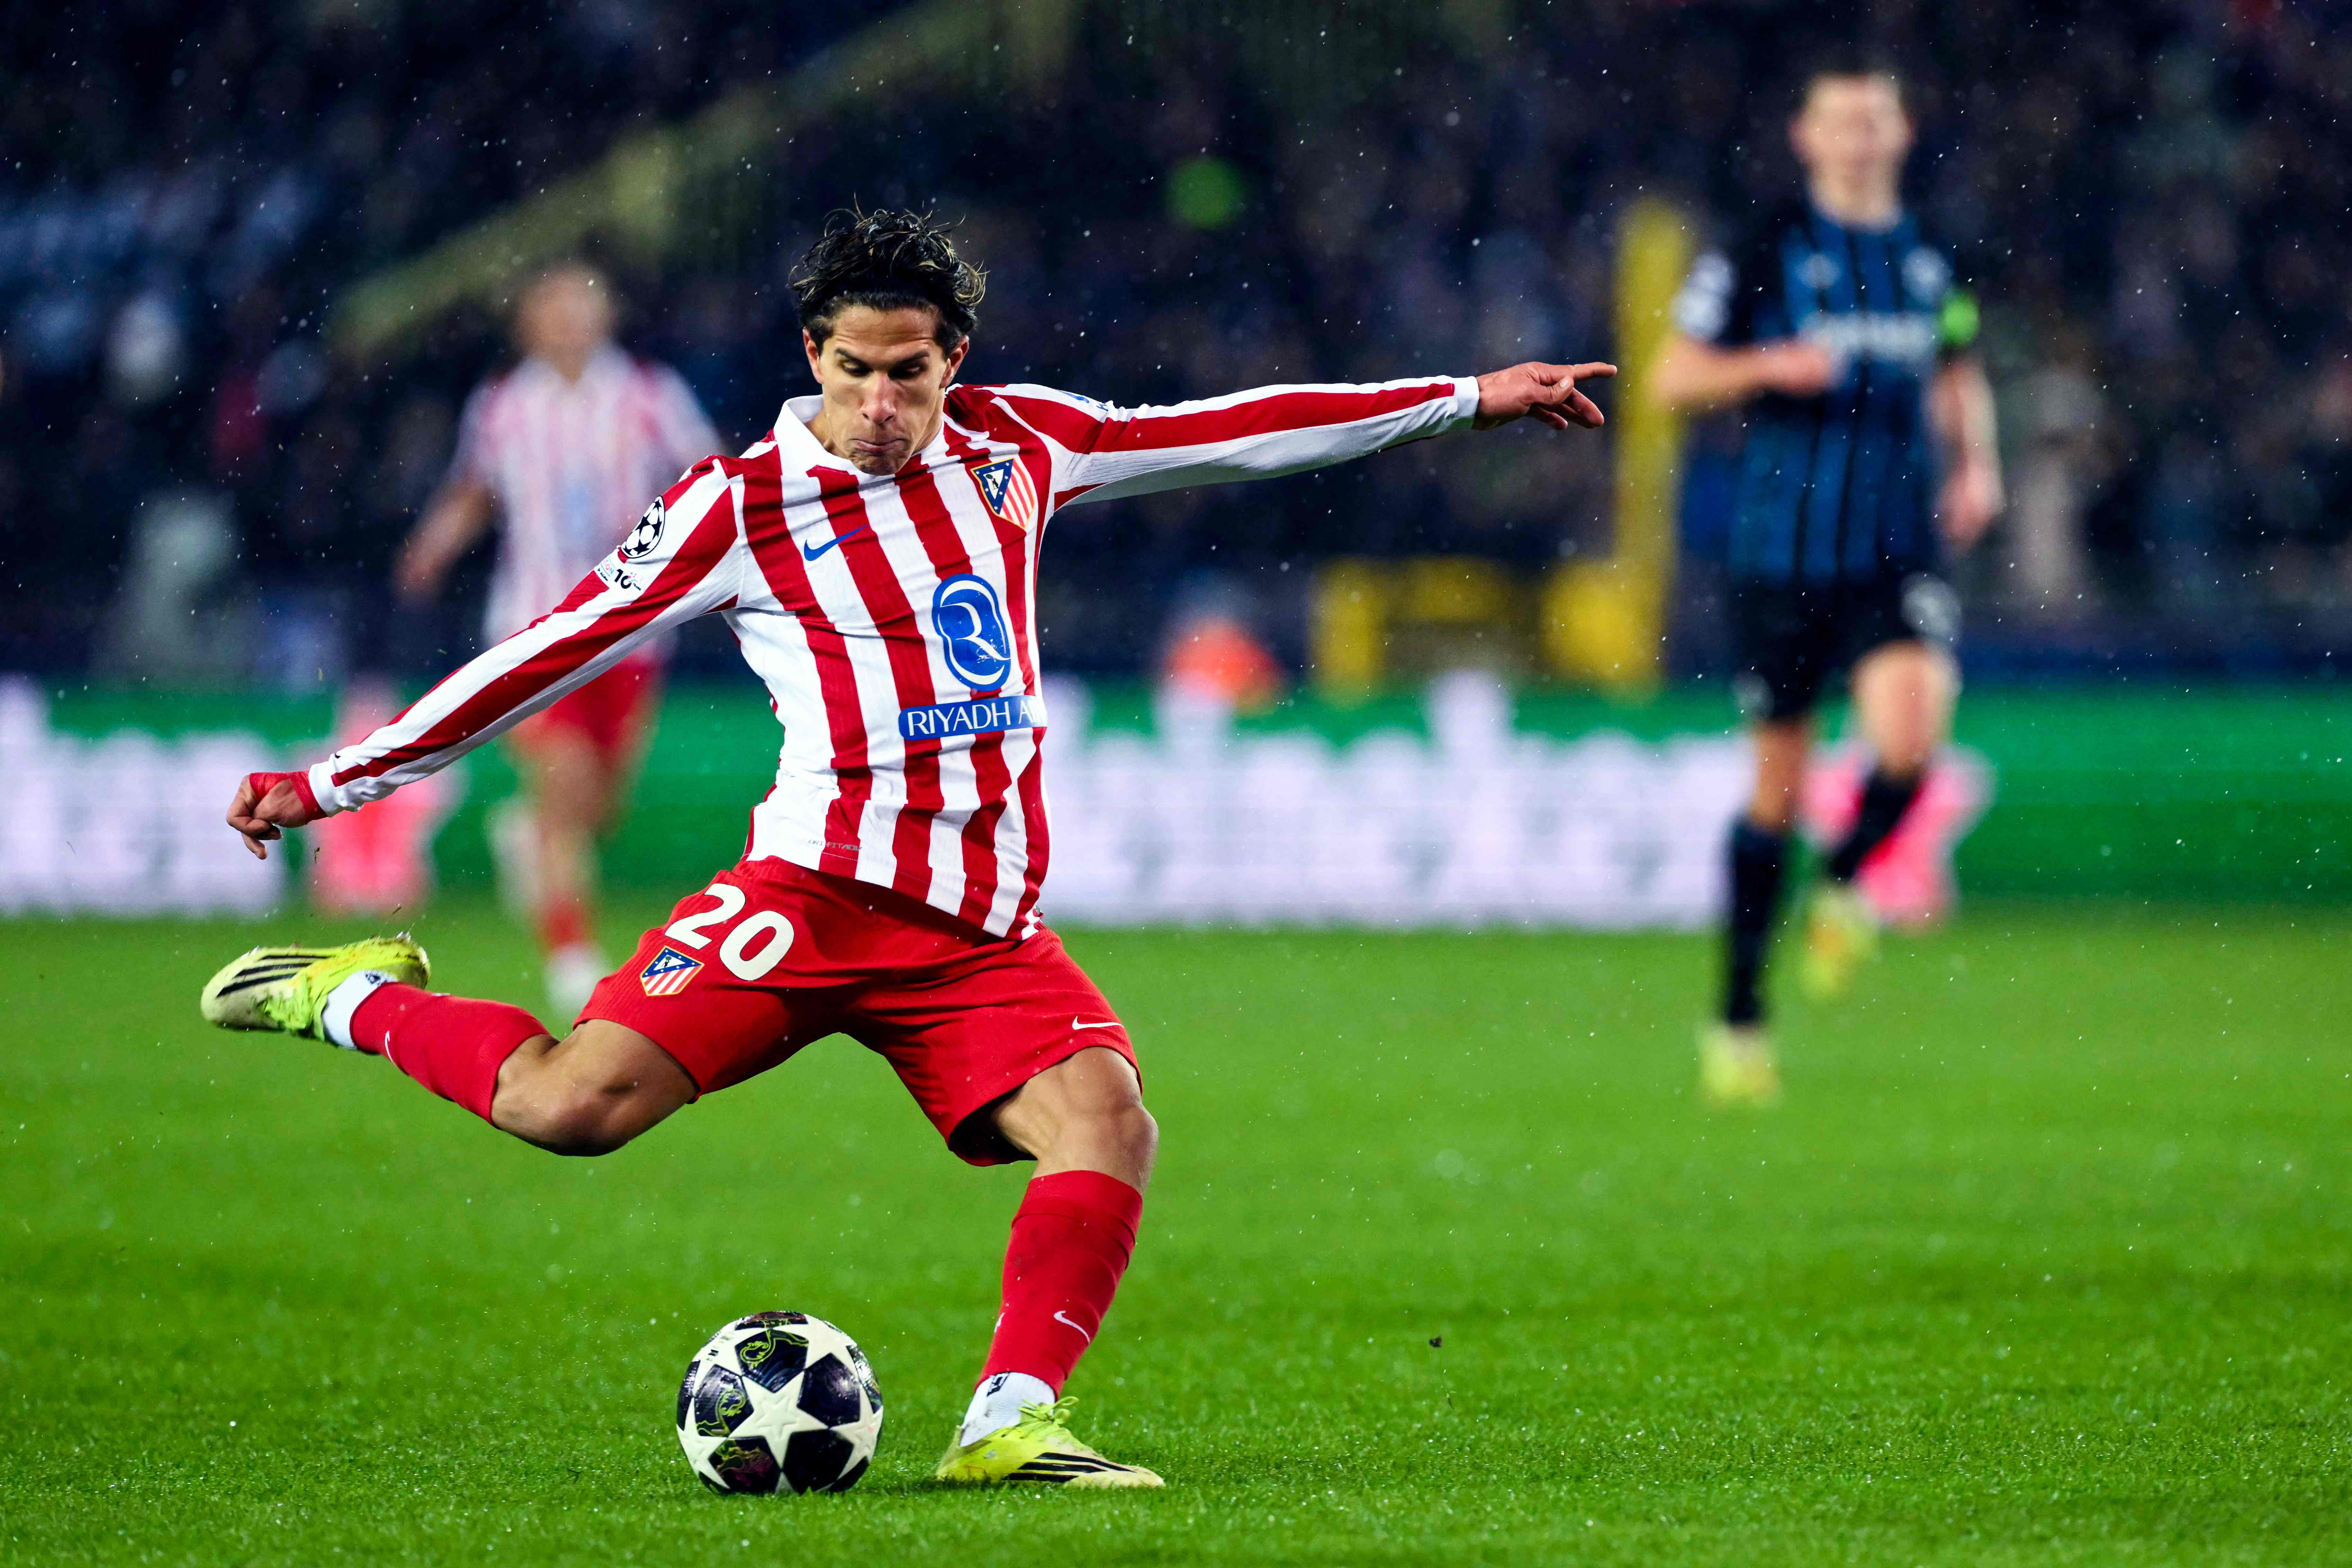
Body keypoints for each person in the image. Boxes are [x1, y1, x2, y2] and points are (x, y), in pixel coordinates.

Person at [203, 209, 1616, 1487]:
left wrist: (1465, 398)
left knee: (1108, 1120)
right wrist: (331, 783)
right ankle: (349, 994)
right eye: (856, 372)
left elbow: (1235, 429)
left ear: (956, 363)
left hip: (976, 928)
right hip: (811, 897)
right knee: (568, 1109)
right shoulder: (734, 504)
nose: (882, 406)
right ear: (812, 356)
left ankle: (1010, 1420)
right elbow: (543, 652)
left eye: (912, 374)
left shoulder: (1023, 443)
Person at [1652, 60, 2003, 1107]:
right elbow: (1671, 378)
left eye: (1875, 119)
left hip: (1897, 546)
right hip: (1780, 555)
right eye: (1841, 121)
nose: (1859, 137)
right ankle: (1739, 1016)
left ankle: (1845, 881)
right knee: (1776, 791)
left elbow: (1957, 364)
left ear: (1900, 132)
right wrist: (1765, 367)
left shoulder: (1931, 252)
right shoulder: (1762, 247)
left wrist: (1978, 463)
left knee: (1913, 741)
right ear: (1807, 138)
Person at [393, 263, 722, 1016]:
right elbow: (474, 489)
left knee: (600, 807)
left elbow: (709, 474)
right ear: (529, 326)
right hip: (534, 624)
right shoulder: (504, 405)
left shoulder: (649, 394)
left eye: (583, 308)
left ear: (607, 318)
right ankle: (571, 954)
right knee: (564, 784)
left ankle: (530, 835)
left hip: (633, 628)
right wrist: (433, 545)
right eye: (555, 311)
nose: (570, 323)